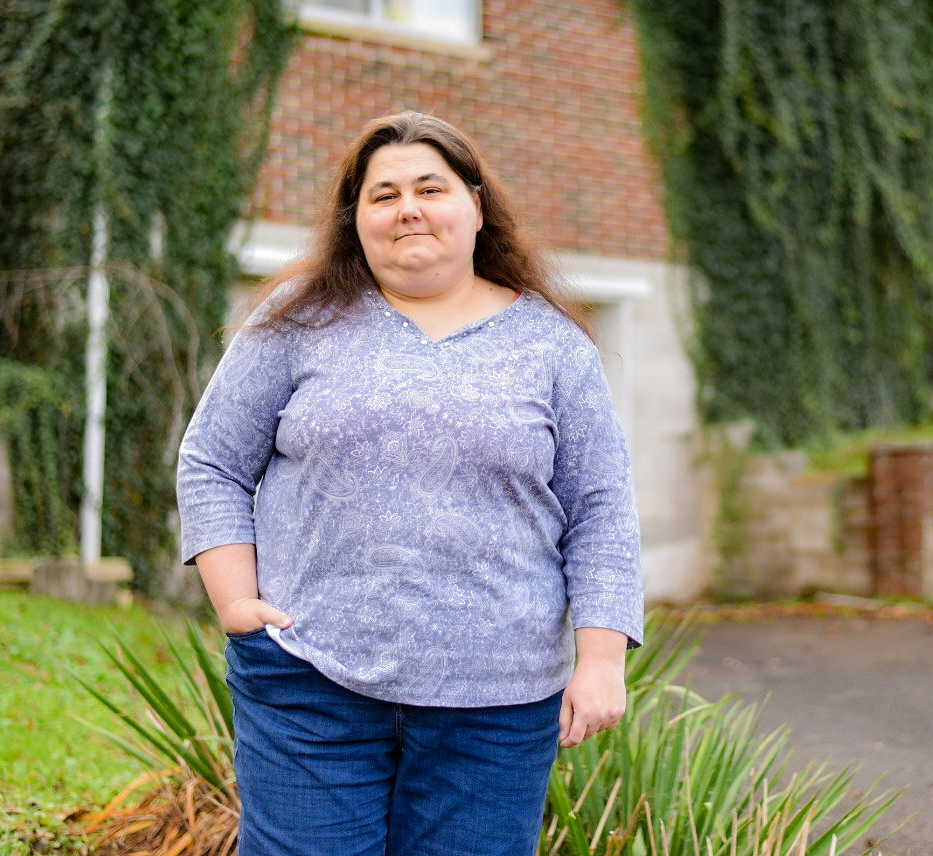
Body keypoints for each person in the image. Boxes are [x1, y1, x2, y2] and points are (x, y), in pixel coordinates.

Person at [176, 111, 644, 856]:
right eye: (383, 194)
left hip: (497, 707)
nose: (408, 209)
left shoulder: (554, 347)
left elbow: (601, 512)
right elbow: (212, 460)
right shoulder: (298, 323)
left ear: (477, 207)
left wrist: (601, 663)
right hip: (310, 680)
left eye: (431, 187)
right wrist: (236, 602)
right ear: (355, 218)